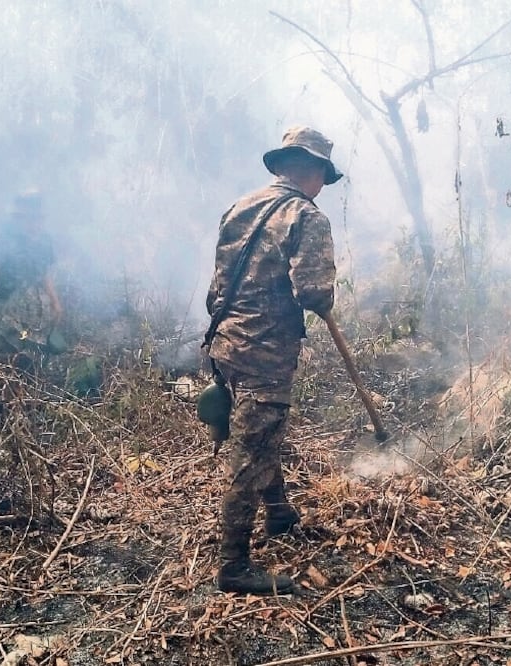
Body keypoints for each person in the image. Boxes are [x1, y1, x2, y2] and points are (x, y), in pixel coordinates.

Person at [204, 126, 342, 595]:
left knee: (263, 430)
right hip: (265, 352)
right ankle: (234, 566)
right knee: (253, 448)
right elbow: (313, 291)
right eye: (323, 174)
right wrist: (325, 297)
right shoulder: (307, 216)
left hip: (224, 345)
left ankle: (279, 511)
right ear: (314, 171)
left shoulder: (239, 207)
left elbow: (215, 289)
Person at [0, 190, 64, 371]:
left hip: (38, 320)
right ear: (18, 217)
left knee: (35, 365)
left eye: (37, 217)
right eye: (28, 217)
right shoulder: (1, 242)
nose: (34, 222)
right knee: (8, 363)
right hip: (9, 317)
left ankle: (31, 395)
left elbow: (45, 274)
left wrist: (55, 302)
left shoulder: (44, 241)